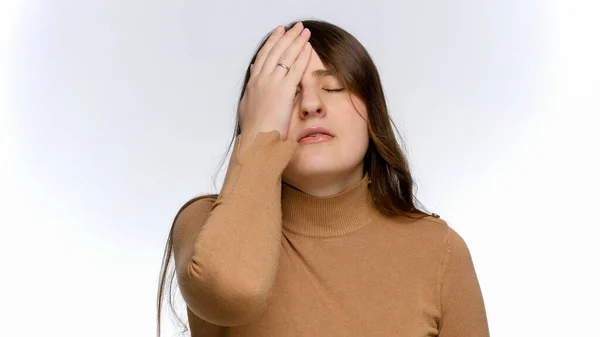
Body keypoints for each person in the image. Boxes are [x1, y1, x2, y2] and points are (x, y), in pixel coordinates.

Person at [157, 19, 489, 337]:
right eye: (288, 94)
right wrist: (259, 135)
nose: (311, 105)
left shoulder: (438, 249)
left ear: (372, 113)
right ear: (256, 111)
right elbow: (230, 289)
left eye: (333, 87)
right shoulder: (204, 225)